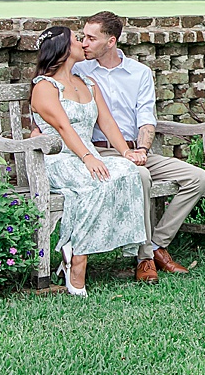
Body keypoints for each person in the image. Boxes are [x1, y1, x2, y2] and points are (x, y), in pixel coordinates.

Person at [75, 10, 205, 279]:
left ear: (111, 41)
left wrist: (142, 150)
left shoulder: (139, 73)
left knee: (197, 177)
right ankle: (145, 258)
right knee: (142, 176)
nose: (83, 43)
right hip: (99, 152)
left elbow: (147, 119)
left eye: (90, 38)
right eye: (82, 37)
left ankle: (157, 243)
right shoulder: (79, 71)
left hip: (134, 149)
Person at [28, 25, 152, 296]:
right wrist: (87, 157)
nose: (83, 44)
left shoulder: (87, 84)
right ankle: (78, 260)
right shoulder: (45, 87)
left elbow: (106, 122)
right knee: (95, 183)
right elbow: (63, 128)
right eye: (76, 39)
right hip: (55, 159)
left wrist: (125, 153)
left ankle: (75, 246)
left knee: (127, 173)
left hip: (87, 157)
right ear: (62, 49)